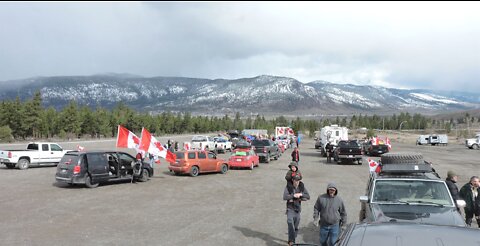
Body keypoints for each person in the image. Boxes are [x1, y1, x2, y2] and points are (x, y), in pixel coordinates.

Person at [283, 174, 310, 246]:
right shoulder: (288, 187)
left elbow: (308, 196)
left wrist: (300, 195)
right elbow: (285, 197)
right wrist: (293, 196)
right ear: (292, 180)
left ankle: (293, 238)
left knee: (296, 226)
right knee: (290, 223)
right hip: (290, 208)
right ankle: (291, 241)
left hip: (297, 209)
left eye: (298, 180)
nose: (297, 182)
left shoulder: (302, 187)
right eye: (295, 180)